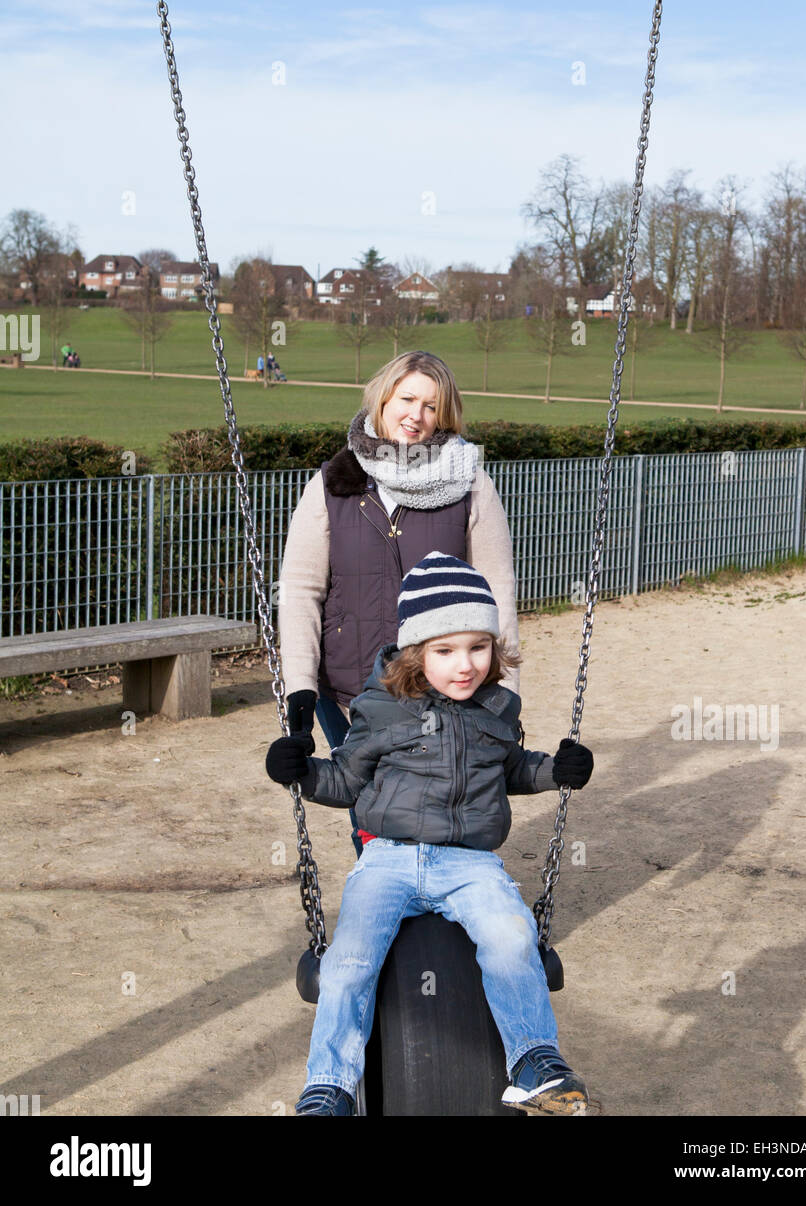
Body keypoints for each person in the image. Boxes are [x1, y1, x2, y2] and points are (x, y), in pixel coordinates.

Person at [266, 552, 594, 1117]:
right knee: (348, 963)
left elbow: (511, 769)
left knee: (514, 940)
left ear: (494, 648)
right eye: (445, 651)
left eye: (478, 647)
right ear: (416, 654)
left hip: (471, 863)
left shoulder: (496, 709)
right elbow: (344, 779)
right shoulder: (381, 710)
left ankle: (534, 1061)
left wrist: (554, 771)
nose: (464, 665)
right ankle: (330, 1087)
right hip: (388, 859)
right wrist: (298, 771)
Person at [277, 351, 519, 855]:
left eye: (431, 406)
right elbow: (302, 590)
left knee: (443, 796)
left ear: (444, 414)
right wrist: (300, 686)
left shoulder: (468, 482)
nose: (416, 415)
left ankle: (440, 908)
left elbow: (497, 591)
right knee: (368, 804)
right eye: (407, 398)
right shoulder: (334, 483)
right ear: (383, 399)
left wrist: (507, 689)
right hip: (348, 685)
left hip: (444, 681)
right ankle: (385, 903)